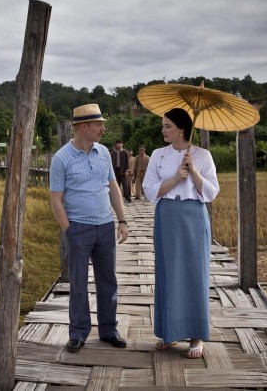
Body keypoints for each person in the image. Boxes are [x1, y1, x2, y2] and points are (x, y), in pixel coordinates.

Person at [50, 103, 129, 353]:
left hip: (105, 226)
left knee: (108, 281)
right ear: (83, 127)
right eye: (99, 124)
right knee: (79, 283)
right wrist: (69, 230)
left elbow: (113, 188)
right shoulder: (61, 158)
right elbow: (55, 199)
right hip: (79, 229)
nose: (103, 129)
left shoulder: (104, 152)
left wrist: (122, 220)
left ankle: (108, 329)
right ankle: (78, 333)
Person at [142, 108, 219, 359]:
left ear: (182, 129)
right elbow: (150, 190)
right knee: (168, 272)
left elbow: (210, 193)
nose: (162, 130)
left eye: (167, 126)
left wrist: (194, 171)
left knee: (195, 272)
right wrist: (176, 177)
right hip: (167, 216)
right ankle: (169, 332)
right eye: (163, 126)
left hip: (194, 216)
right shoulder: (158, 155)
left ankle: (196, 335)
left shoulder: (203, 155)